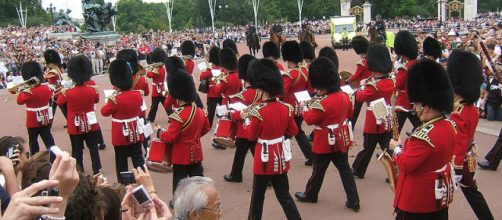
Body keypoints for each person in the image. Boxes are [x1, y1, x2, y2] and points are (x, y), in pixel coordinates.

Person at [390, 59, 456, 220]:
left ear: (426, 107)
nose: (414, 107)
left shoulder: (423, 136)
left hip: (418, 199)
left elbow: (407, 164)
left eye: (417, 104)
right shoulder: (449, 125)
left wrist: (397, 148)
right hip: (438, 196)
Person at [294, 57, 360, 211]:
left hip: (325, 142)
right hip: (341, 139)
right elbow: (350, 113)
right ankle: (354, 200)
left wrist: (304, 107)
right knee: (345, 170)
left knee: (318, 170)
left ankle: (310, 195)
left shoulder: (322, 102)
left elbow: (310, 120)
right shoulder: (345, 96)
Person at [244, 58, 302, 220]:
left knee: (258, 198)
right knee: (284, 195)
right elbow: (293, 130)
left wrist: (246, 120)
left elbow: (251, 135)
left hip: (263, 159)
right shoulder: (286, 108)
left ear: (262, 89)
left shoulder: (258, 112)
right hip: (280, 157)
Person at [448, 50, 494, 220]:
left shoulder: (459, 111)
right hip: (469, 158)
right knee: (473, 194)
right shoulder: (470, 108)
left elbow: (458, 143)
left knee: (443, 198)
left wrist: (455, 169)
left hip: (458, 162)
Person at [157, 69, 210, 195]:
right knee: (198, 179)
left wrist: (159, 132)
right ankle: (200, 200)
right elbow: (206, 128)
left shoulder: (178, 116)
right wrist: (195, 136)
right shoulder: (200, 111)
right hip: (196, 151)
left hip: (180, 154)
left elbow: (170, 137)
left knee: (179, 182)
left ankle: (178, 201)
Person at [351, 44, 395, 178]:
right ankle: (395, 171)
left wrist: (362, 85)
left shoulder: (374, 86)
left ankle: (358, 169)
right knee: (387, 147)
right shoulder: (390, 81)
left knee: (368, 148)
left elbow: (359, 96)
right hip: (386, 118)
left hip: (373, 121)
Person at [56, 55, 102, 175]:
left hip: (74, 124)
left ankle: (79, 169)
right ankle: (96, 169)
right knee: (93, 148)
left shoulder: (67, 92)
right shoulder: (92, 90)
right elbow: (96, 100)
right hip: (91, 122)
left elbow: (59, 102)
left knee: (77, 149)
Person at [101, 59, 145, 182]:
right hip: (135, 130)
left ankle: (123, 184)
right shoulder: (137, 95)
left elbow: (104, 112)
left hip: (120, 133)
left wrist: (109, 100)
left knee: (121, 160)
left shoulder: (114, 99)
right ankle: (143, 179)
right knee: (137, 157)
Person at [224, 54, 258, 182]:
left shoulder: (242, 95)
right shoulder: (261, 92)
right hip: (257, 128)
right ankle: (268, 178)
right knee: (256, 152)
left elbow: (238, 115)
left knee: (240, 153)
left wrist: (230, 114)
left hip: (244, 130)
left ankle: (236, 175)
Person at [281, 40, 313, 165]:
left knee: (287, 133)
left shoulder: (291, 74)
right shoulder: (304, 71)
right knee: (295, 131)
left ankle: (280, 155)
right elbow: (310, 89)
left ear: (288, 58)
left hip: (290, 109)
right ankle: (311, 156)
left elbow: (282, 92)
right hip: (300, 106)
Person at [16, 61, 55, 155]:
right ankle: (55, 157)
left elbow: (19, 101)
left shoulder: (28, 92)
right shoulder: (46, 88)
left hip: (33, 120)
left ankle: (34, 158)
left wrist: (21, 91)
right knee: (48, 139)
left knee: (33, 142)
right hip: (45, 118)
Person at [212, 48, 243, 149]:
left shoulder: (225, 79)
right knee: (235, 121)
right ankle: (235, 138)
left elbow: (218, 91)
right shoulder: (238, 75)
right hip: (236, 101)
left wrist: (216, 83)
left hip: (226, 101)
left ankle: (221, 140)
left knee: (224, 121)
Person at [393, 31, 421, 134]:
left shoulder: (405, 68)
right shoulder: (418, 63)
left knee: (395, 130)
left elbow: (397, 84)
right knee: (419, 124)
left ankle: (392, 148)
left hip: (403, 102)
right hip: (415, 100)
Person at [346, 36, 371, 130]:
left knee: (356, 109)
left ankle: (351, 126)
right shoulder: (372, 59)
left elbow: (356, 76)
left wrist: (347, 80)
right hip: (373, 85)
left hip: (362, 88)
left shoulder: (362, 62)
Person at [200, 47, 222, 128]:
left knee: (210, 113)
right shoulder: (223, 68)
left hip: (212, 93)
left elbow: (202, 76)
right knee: (224, 110)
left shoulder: (210, 69)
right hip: (221, 91)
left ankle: (208, 126)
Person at [43, 49, 67, 122]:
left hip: (54, 92)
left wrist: (46, 72)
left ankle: (48, 123)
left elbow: (45, 77)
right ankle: (70, 120)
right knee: (63, 109)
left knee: (51, 109)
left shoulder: (53, 71)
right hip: (59, 91)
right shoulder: (57, 69)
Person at [146, 48, 168, 123]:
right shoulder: (162, 68)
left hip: (156, 91)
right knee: (166, 105)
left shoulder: (157, 69)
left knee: (154, 106)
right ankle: (172, 116)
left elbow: (149, 75)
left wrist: (150, 69)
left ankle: (150, 118)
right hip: (162, 89)